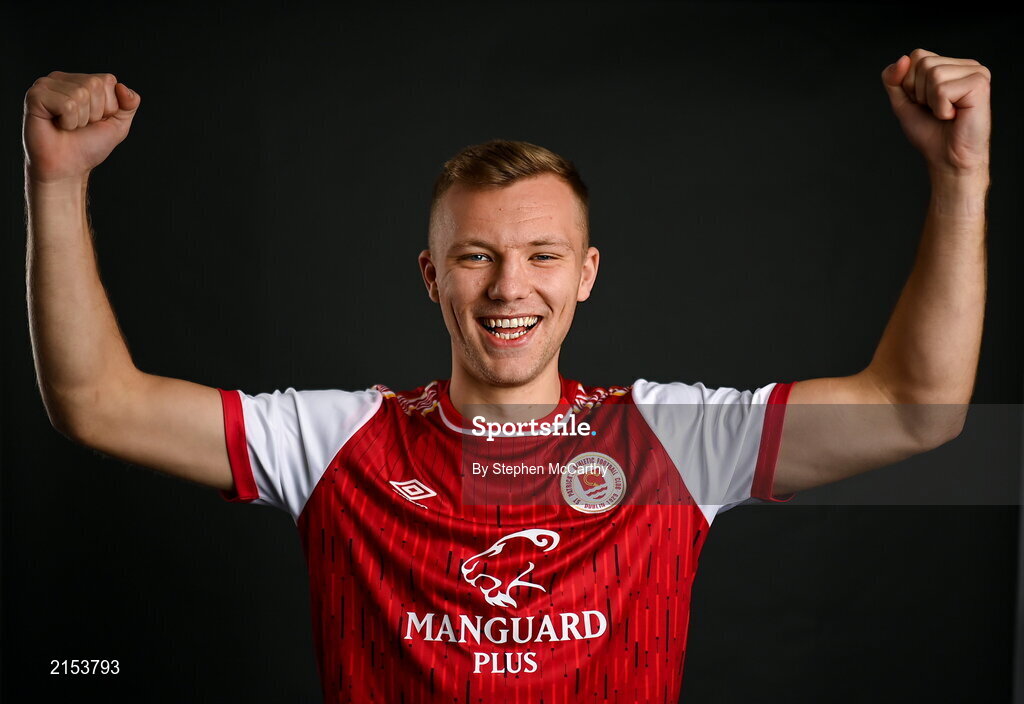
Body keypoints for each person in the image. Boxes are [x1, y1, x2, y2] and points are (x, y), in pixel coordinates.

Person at [23, 48, 990, 703]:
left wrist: (960, 180)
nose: (508, 289)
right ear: (431, 276)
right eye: (476, 256)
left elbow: (918, 411)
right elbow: (97, 404)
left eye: (541, 255)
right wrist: (57, 183)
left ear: (587, 274)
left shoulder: (675, 441)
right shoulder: (334, 441)